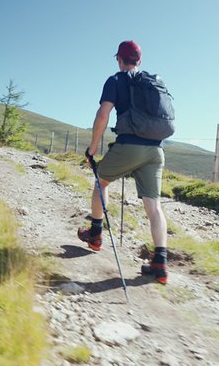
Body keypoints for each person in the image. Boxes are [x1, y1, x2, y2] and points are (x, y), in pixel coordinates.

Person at [78, 40, 169, 285]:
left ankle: (95, 235)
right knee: (154, 205)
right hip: (156, 151)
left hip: (130, 146)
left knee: (101, 181)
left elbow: (103, 114)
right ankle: (160, 263)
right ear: (139, 60)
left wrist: (93, 148)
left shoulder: (116, 80)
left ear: (119, 59)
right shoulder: (154, 82)